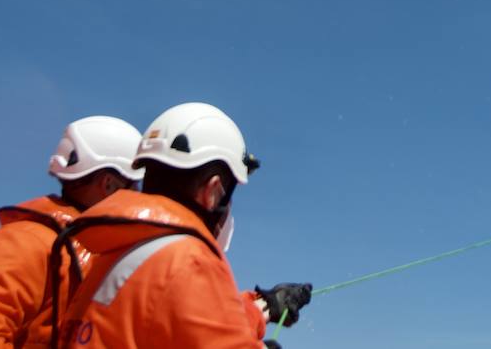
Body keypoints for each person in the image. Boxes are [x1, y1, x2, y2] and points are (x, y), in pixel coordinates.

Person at [53, 102, 311, 348]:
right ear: (213, 191)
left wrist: (263, 305)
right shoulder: (189, 262)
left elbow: (185, 319)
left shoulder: (112, 256)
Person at [0, 116, 144, 348]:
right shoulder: (21, 242)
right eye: (134, 185)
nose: (138, 197)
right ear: (108, 184)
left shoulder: (99, 251)